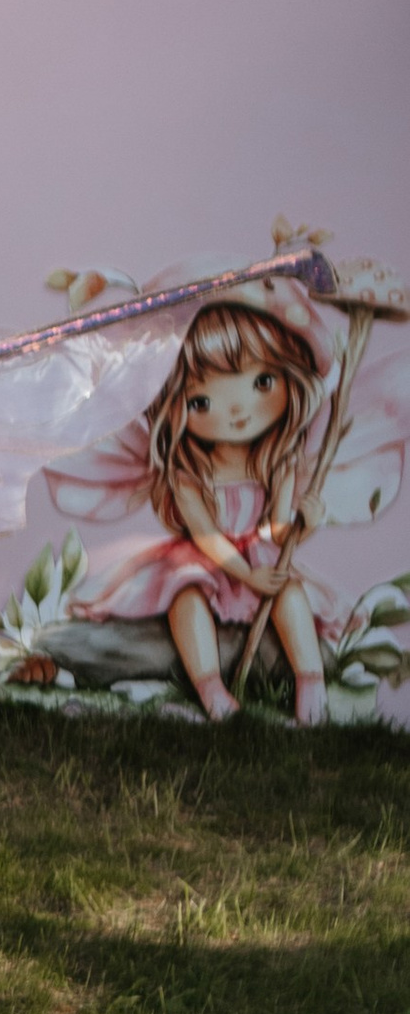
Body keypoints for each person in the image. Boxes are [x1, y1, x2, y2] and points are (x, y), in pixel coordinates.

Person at [45, 294, 331, 722]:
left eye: (261, 383)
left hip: (259, 556)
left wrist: (303, 524)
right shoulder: (187, 473)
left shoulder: (279, 462)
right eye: (202, 402)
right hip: (208, 557)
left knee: (290, 591)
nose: (236, 410)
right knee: (186, 596)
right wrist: (243, 572)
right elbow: (206, 536)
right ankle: (211, 689)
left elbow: (275, 531)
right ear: (176, 407)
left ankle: (311, 683)